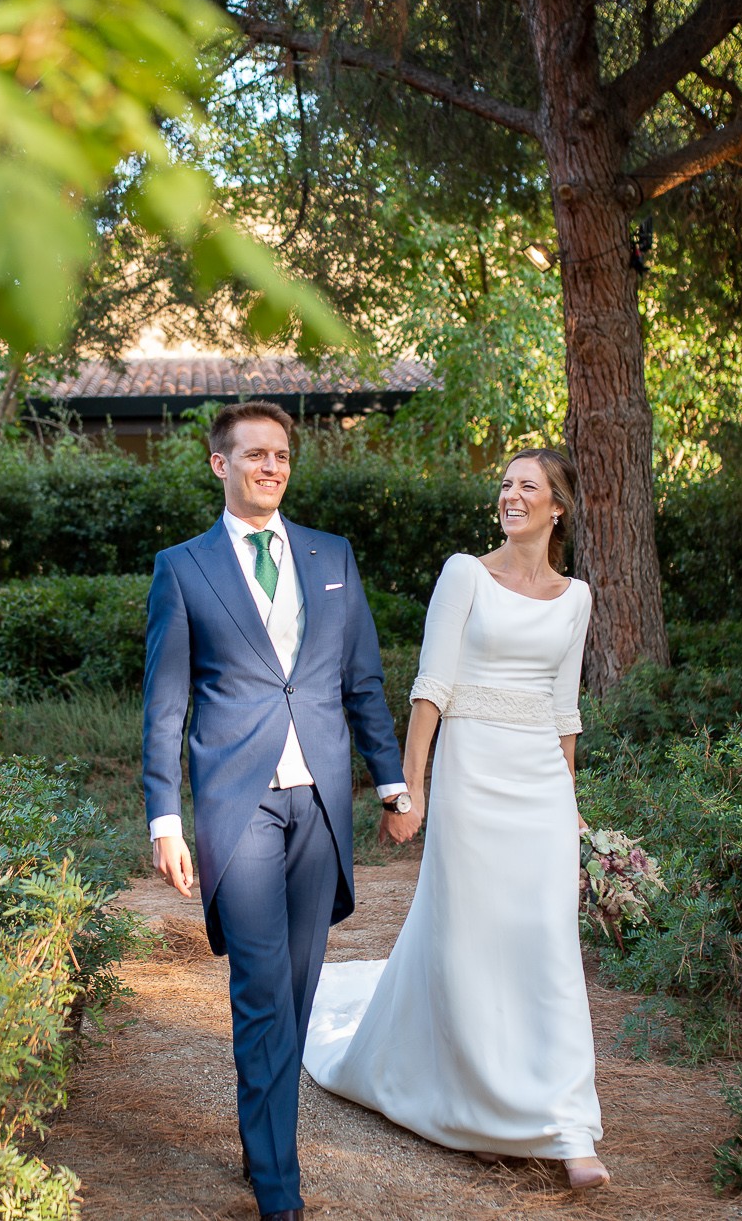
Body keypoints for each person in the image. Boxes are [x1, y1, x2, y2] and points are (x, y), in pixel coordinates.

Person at [301, 447, 611, 1190]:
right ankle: (477, 1102)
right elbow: (432, 686)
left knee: (547, 940)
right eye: (505, 484)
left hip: (539, 779)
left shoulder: (578, 598)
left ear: (556, 506)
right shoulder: (464, 573)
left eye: (526, 486)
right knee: (468, 934)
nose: (510, 495)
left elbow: (565, 709)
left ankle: (572, 1127)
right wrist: (409, 789)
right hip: (471, 772)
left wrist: (570, 811)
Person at [142, 401, 408, 1221]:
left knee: (294, 990)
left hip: (322, 803)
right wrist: (165, 818)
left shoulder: (332, 556)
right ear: (218, 464)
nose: (271, 466)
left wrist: (391, 780)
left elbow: (360, 677)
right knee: (261, 991)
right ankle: (279, 1185)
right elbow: (166, 701)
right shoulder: (183, 567)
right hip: (239, 805)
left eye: (282, 454)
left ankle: (264, 1141)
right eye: (254, 454)